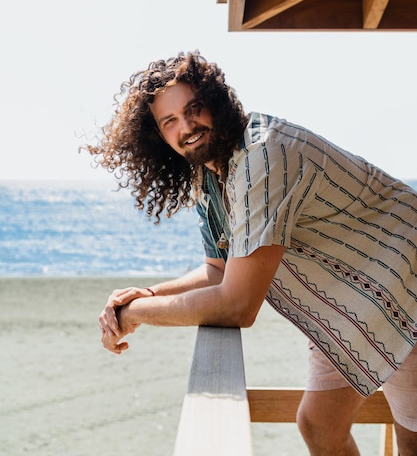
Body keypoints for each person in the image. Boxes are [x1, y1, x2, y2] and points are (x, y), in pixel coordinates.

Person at [88, 51, 417, 456]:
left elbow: (238, 305)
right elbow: (219, 271)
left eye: (194, 109)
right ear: (159, 136)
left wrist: (134, 314)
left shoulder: (261, 156)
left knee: (412, 441)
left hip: (403, 277)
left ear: (218, 102)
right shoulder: (211, 173)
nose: (186, 126)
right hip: (351, 306)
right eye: (169, 121)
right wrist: (145, 295)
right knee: (319, 426)